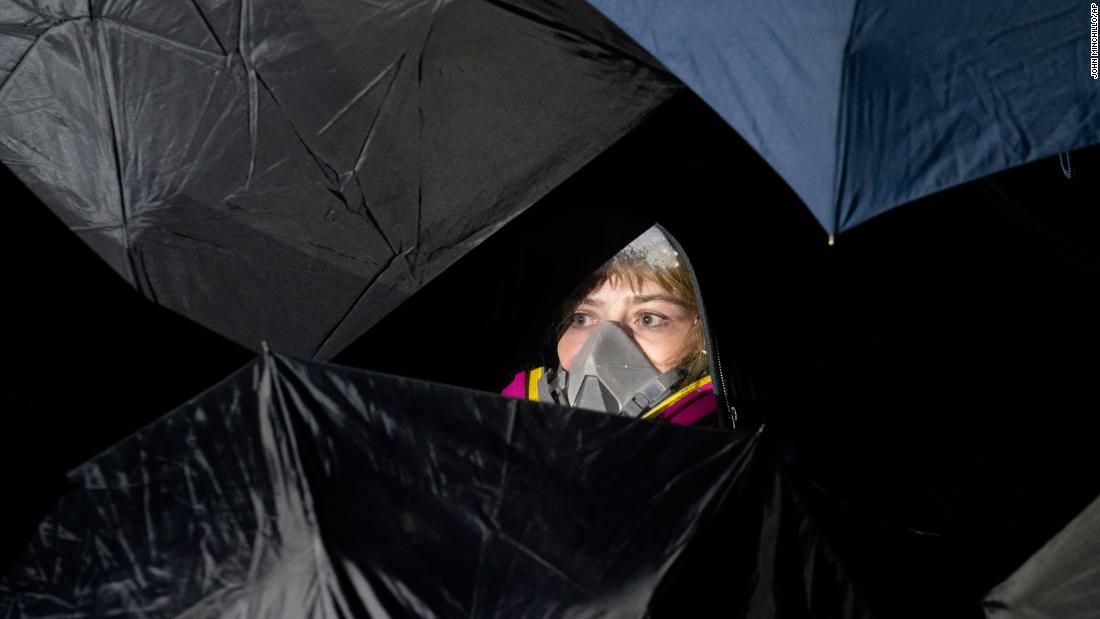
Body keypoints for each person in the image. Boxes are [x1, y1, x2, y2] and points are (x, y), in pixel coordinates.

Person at [502, 226, 717, 426]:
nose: (600, 350)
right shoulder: (502, 437)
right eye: (582, 318)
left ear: (704, 336)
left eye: (648, 319)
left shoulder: (731, 452)